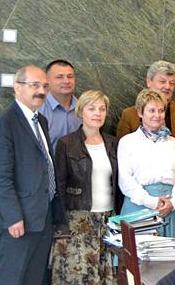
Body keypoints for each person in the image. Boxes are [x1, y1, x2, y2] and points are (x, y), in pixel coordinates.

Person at [0, 65, 65, 284]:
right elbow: (0, 178)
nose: (41, 91)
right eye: (35, 85)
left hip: (42, 219)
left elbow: (44, 166)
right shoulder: (4, 123)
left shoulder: (41, 121)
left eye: (45, 86)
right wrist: (13, 217)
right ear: (17, 87)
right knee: (12, 279)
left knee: (34, 279)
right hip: (18, 221)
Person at [51, 90, 122, 284]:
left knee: (105, 278)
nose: (97, 113)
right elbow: (59, 186)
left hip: (107, 222)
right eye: (92, 108)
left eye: (102, 109)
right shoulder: (66, 144)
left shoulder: (113, 143)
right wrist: (61, 226)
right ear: (81, 111)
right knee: (76, 277)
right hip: (77, 222)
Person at [118, 89, 175, 238]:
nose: (157, 115)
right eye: (151, 110)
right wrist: (152, 202)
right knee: (137, 259)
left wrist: (173, 203)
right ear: (140, 113)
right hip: (139, 209)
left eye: (161, 110)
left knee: (170, 259)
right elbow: (125, 181)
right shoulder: (127, 142)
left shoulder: (174, 143)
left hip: (170, 209)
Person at [116, 60, 175, 140]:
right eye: (162, 81)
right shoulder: (129, 115)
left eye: (171, 83)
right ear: (149, 82)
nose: (167, 87)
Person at [39, 59, 81, 149]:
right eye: (59, 77)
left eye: (70, 76)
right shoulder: (37, 110)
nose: (66, 81)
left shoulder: (84, 108)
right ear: (46, 81)